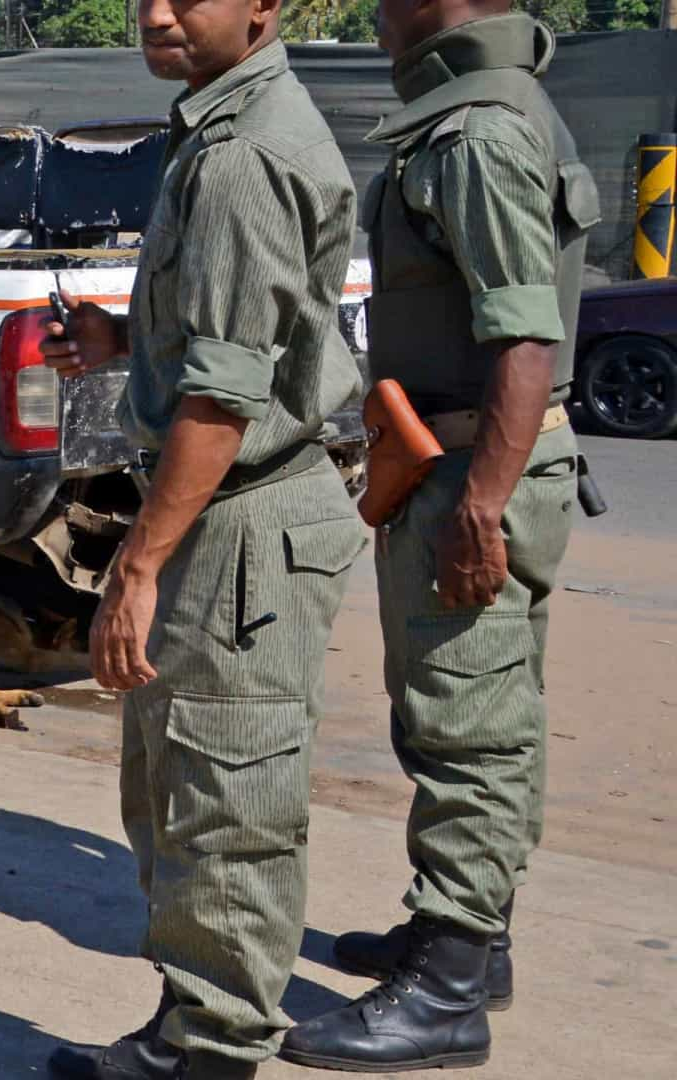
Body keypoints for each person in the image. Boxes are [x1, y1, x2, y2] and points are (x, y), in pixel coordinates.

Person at [39, 0, 364, 1074]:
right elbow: (246, 334)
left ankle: (213, 1051)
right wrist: (126, 340)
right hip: (229, 510)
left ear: (265, 6)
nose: (158, 12)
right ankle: (192, 1026)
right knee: (178, 790)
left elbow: (226, 401)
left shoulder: (241, 158)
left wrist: (138, 565)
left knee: (224, 806)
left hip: (238, 521)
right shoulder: (222, 129)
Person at [278, 3, 594, 1072]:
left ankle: (450, 992)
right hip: (456, 460)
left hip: (471, 469)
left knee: (468, 728)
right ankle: (470, 937)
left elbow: (523, 338)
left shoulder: (478, 132)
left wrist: (480, 505)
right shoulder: (481, 110)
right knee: (473, 710)